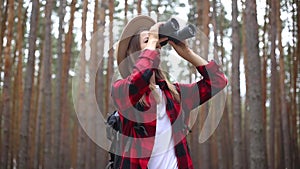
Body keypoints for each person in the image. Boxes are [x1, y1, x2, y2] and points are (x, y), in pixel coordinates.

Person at [111, 15, 227, 169]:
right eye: (147, 41)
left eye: (157, 43)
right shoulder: (121, 91)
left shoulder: (175, 94)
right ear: (134, 55)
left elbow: (218, 80)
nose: (156, 45)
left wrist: (187, 52)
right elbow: (136, 83)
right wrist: (153, 39)